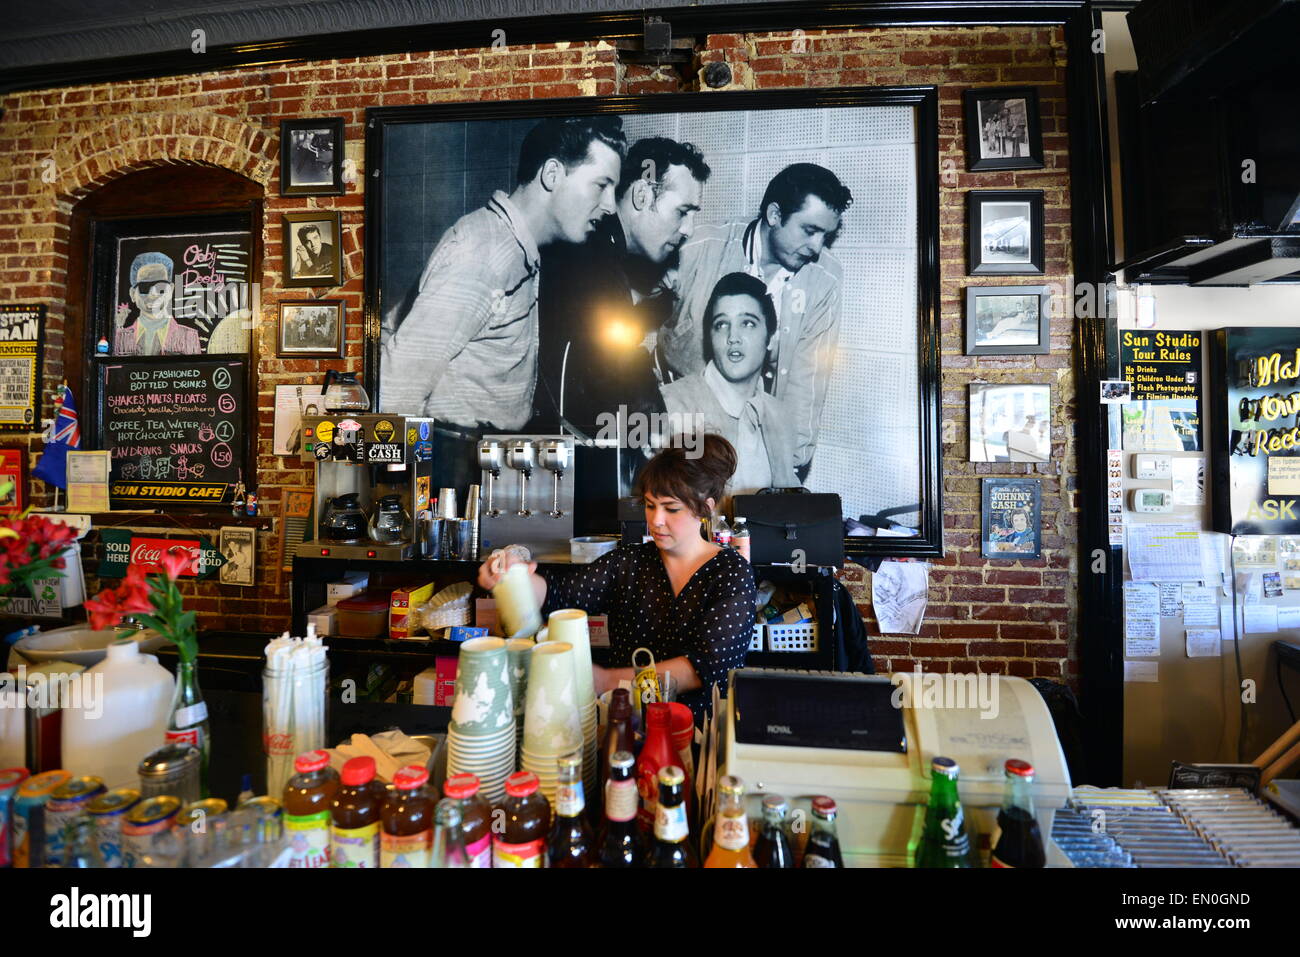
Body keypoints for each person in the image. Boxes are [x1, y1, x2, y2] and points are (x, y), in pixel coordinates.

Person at [380, 116, 626, 493]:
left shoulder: (514, 247)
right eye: (601, 185)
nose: (610, 205)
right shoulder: (485, 252)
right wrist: (396, 492)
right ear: (553, 174)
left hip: (478, 460)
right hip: (451, 466)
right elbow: (402, 375)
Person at [476, 434, 756, 723]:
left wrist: (605, 681)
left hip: (696, 731)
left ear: (705, 508)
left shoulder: (730, 574)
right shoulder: (629, 562)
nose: (656, 520)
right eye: (649, 505)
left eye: (671, 508)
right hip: (626, 724)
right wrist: (514, 577)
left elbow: (704, 669)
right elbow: (556, 593)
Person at [532, 135, 711, 501]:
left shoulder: (597, 248)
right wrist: (658, 432)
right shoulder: (593, 255)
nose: (688, 229)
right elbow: (616, 359)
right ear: (642, 196)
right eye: (682, 211)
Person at [661, 163, 852, 477]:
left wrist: (786, 468)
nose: (817, 247)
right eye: (810, 230)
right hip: (680, 439)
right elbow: (635, 323)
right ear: (775, 216)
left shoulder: (825, 279)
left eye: (825, 236)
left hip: (755, 448)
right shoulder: (698, 247)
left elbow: (809, 382)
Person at [660, 272, 799, 496]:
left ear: (771, 337)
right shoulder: (672, 405)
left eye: (748, 323)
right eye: (722, 324)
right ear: (710, 337)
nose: (733, 336)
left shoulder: (780, 416)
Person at [114, 251, 201, 356]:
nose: (153, 295)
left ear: (171, 290)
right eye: (144, 287)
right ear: (133, 294)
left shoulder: (189, 337)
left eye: (160, 287)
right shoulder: (120, 337)